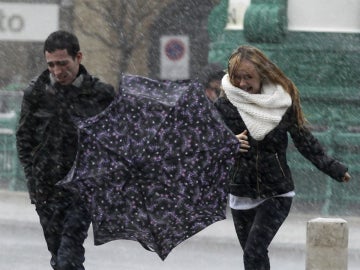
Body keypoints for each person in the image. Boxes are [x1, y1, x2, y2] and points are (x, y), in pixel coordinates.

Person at [214, 45, 351, 270]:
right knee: (254, 258)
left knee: (253, 251)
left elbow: (305, 141)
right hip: (241, 192)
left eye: (248, 77)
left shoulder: (280, 103)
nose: (242, 83)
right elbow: (206, 143)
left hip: (277, 192)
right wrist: (229, 143)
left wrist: (333, 168)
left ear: (262, 75)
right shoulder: (224, 106)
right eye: (236, 77)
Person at [16, 30, 116, 270]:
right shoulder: (36, 94)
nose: (57, 71)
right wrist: (33, 179)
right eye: (51, 65)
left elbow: (114, 139)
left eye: (63, 63)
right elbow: (24, 139)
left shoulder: (100, 94)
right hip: (46, 189)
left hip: (81, 188)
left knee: (68, 254)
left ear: (78, 57)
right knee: (58, 255)